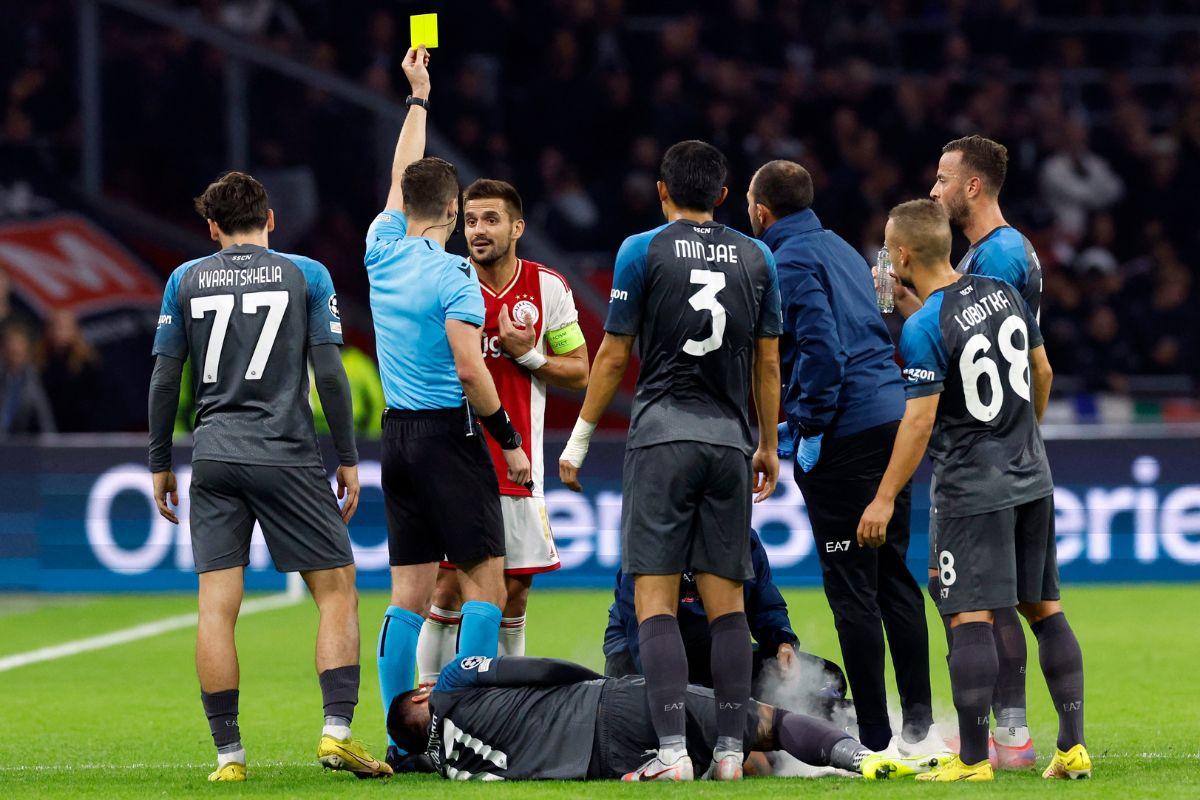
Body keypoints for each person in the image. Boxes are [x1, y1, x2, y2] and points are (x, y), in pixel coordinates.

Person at [147, 171, 386, 781]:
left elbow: (163, 380)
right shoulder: (307, 274)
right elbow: (330, 375)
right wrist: (350, 458)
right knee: (336, 592)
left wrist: (158, 462)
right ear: (271, 219)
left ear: (212, 228)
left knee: (215, 609)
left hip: (216, 454)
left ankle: (229, 757)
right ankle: (336, 732)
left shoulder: (185, 279)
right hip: (286, 452)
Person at [559, 140, 782, 782]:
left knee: (654, 602)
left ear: (662, 192)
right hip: (730, 443)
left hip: (662, 436)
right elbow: (768, 361)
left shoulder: (642, 249)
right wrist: (766, 443)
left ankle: (675, 754)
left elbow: (612, 354)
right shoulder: (757, 254)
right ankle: (735, 755)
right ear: (721, 195)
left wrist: (578, 439)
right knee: (729, 607)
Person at [857, 200, 1089, 782]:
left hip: (970, 490)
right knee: (1045, 611)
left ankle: (972, 761)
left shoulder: (922, 328)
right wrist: (1023, 439)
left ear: (902, 255)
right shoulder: (998, 290)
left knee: (968, 617)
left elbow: (917, 423)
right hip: (1031, 475)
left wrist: (884, 497)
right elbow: (1043, 372)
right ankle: (1072, 748)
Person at [362, 47, 531, 768]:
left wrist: (418, 98)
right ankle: (468, 732)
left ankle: (402, 745)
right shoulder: (454, 275)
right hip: (446, 438)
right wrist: (510, 438)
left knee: (405, 596)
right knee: (484, 583)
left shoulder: (379, 247)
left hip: (395, 439)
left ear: (405, 207)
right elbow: (471, 368)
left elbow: (403, 181)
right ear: (456, 212)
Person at [747, 160, 936, 756]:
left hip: (846, 432)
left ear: (759, 210)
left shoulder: (787, 260)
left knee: (852, 587)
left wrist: (813, 425)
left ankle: (875, 739)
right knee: (895, 579)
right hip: (889, 416)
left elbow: (823, 351)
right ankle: (920, 730)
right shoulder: (845, 250)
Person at [416, 179, 589, 685]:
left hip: (519, 465)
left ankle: (511, 698)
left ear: (518, 227)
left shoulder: (547, 288)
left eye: (490, 219)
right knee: (447, 587)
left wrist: (527, 354)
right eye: (470, 221)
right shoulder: (447, 281)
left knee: (515, 591)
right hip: (455, 460)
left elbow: (579, 371)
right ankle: (430, 705)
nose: (477, 230)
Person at [921, 135, 1044, 768]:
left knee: (976, 601)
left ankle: (1000, 740)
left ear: (973, 186)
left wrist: (1003, 438)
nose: (933, 189)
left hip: (978, 467)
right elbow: (1038, 369)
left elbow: (967, 358)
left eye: (943, 179)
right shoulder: (1008, 249)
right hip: (1015, 460)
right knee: (1005, 599)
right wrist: (1024, 438)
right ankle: (1012, 734)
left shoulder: (991, 263)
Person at [386, 654, 921, 782]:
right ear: (420, 697)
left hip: (606, 761)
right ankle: (864, 759)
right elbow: (541, 669)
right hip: (607, 703)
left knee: (725, 750)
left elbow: (407, 757)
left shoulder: (445, 765)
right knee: (766, 722)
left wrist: (391, 761)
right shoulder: (453, 681)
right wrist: (593, 680)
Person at [603, 530, 850, 722]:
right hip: (643, 660)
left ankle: (772, 727)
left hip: (716, 654)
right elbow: (641, 637)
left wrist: (782, 643)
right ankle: (755, 730)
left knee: (829, 678)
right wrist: (700, 700)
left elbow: (765, 604)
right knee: (648, 705)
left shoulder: (744, 539)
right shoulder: (651, 540)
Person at [41, 310, 103, 432]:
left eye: (64, 327)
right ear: (47, 330)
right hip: (49, 431)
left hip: (81, 433)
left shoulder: (88, 364)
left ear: (75, 330)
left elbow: (96, 404)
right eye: (55, 326)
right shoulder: (39, 364)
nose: (59, 331)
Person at [0, 323, 55, 437]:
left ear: (26, 349)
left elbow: (44, 418)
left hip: (21, 445)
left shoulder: (35, 378)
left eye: (18, 344)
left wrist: (51, 445)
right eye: (10, 344)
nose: (14, 348)